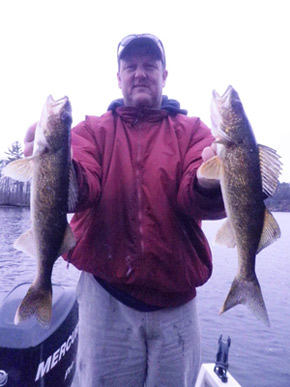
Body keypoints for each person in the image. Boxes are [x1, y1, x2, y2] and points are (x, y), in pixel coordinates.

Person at [24, 34, 225, 387]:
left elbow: (193, 195)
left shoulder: (195, 131)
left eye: (150, 66)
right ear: (118, 77)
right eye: (130, 66)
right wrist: (56, 170)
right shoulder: (91, 131)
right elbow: (82, 188)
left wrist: (208, 182)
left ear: (165, 75)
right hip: (106, 301)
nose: (140, 73)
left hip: (176, 309)